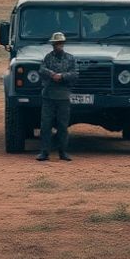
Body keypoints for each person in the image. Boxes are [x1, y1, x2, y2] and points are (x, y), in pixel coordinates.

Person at [37, 31, 79, 162]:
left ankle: (63, 152)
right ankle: (44, 152)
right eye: (57, 44)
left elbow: (75, 74)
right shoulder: (48, 58)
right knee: (45, 125)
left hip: (63, 97)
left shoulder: (70, 58)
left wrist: (62, 76)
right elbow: (41, 69)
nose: (59, 46)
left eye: (61, 43)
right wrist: (52, 74)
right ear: (53, 45)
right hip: (49, 96)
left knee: (62, 126)